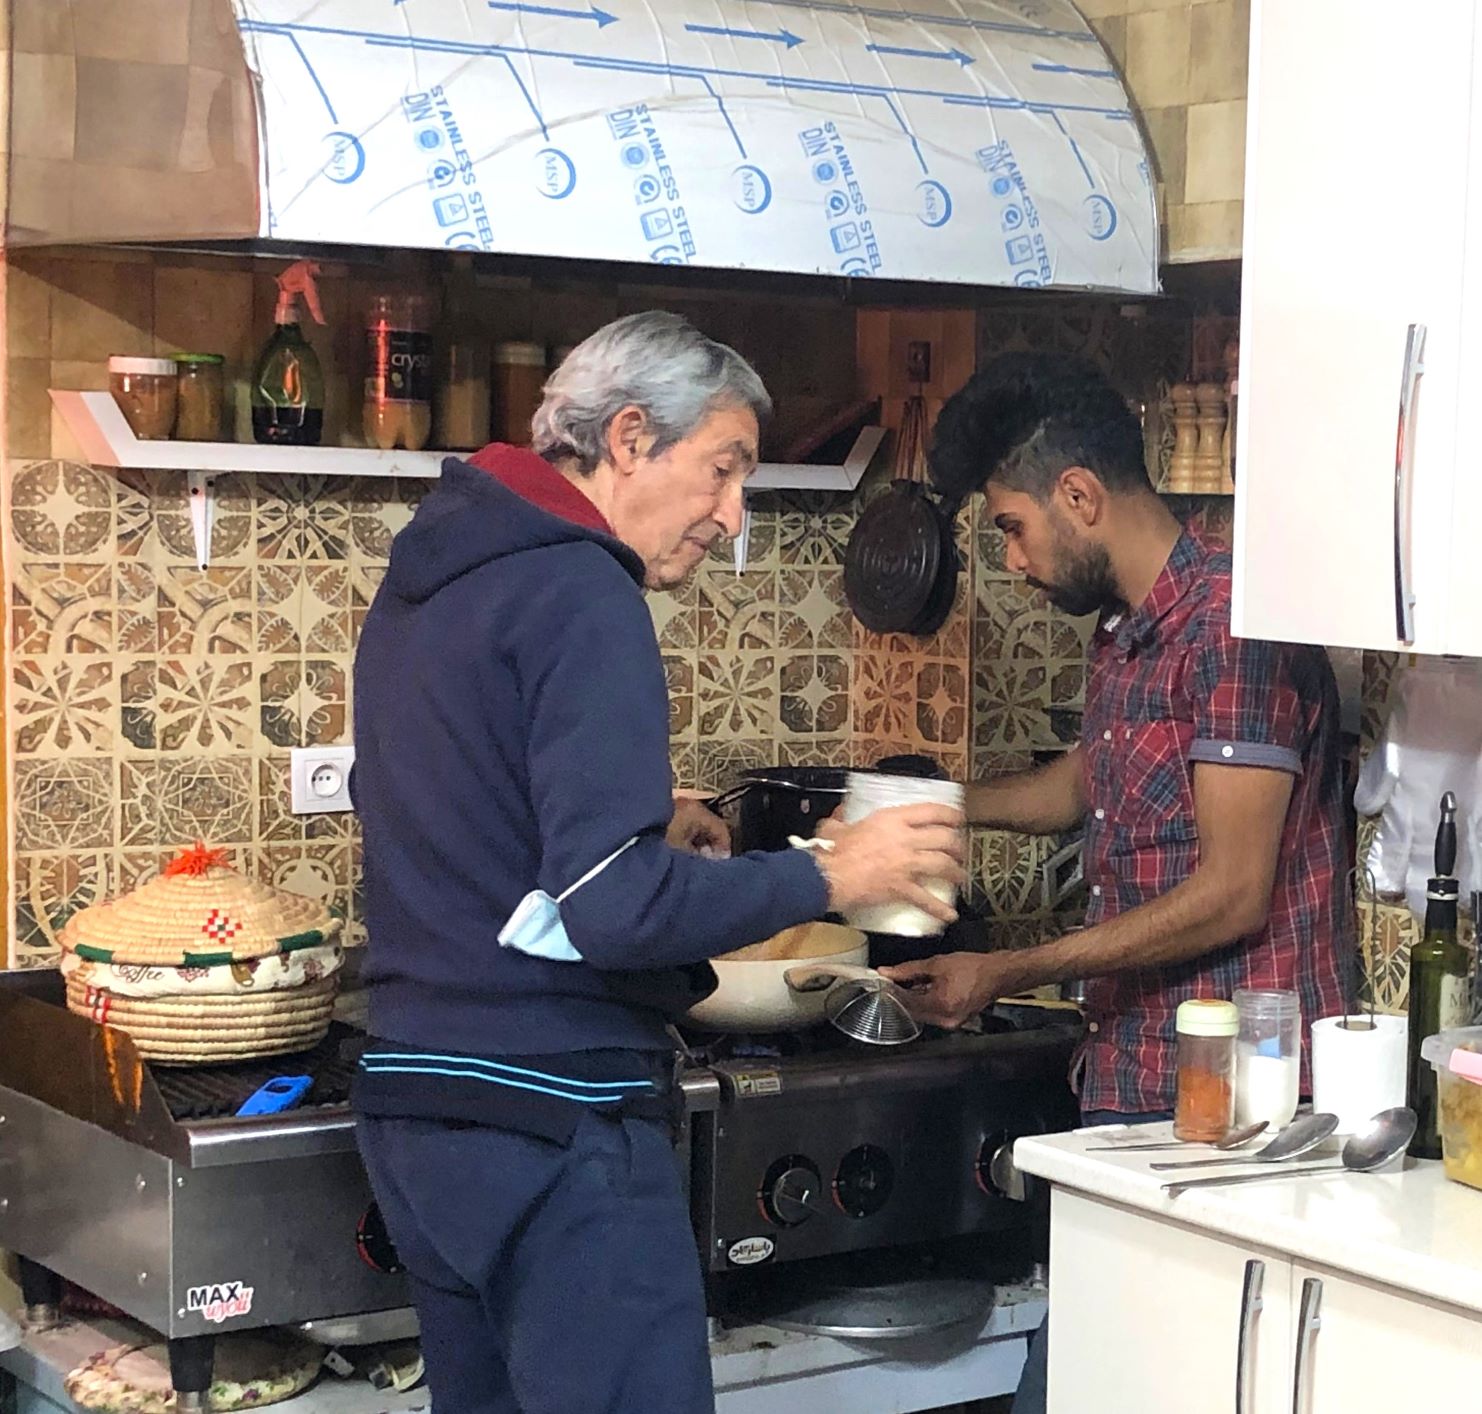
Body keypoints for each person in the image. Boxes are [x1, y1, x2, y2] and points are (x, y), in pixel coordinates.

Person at [349, 311, 965, 1414]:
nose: (732, 519)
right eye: (724, 470)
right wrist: (834, 874)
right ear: (629, 438)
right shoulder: (584, 591)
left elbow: (467, 817)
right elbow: (613, 909)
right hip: (555, 1118)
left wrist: (644, 814)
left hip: (422, 1114)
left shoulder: (431, 575)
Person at [879, 353, 1352, 1413]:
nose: (1010, 558)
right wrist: (927, 804)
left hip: (1239, 1124)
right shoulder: (1126, 635)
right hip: (1133, 1095)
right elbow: (1087, 784)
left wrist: (1008, 967)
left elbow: (1235, 890)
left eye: (1011, 526)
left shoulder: (1238, 629)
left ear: (1080, 496)